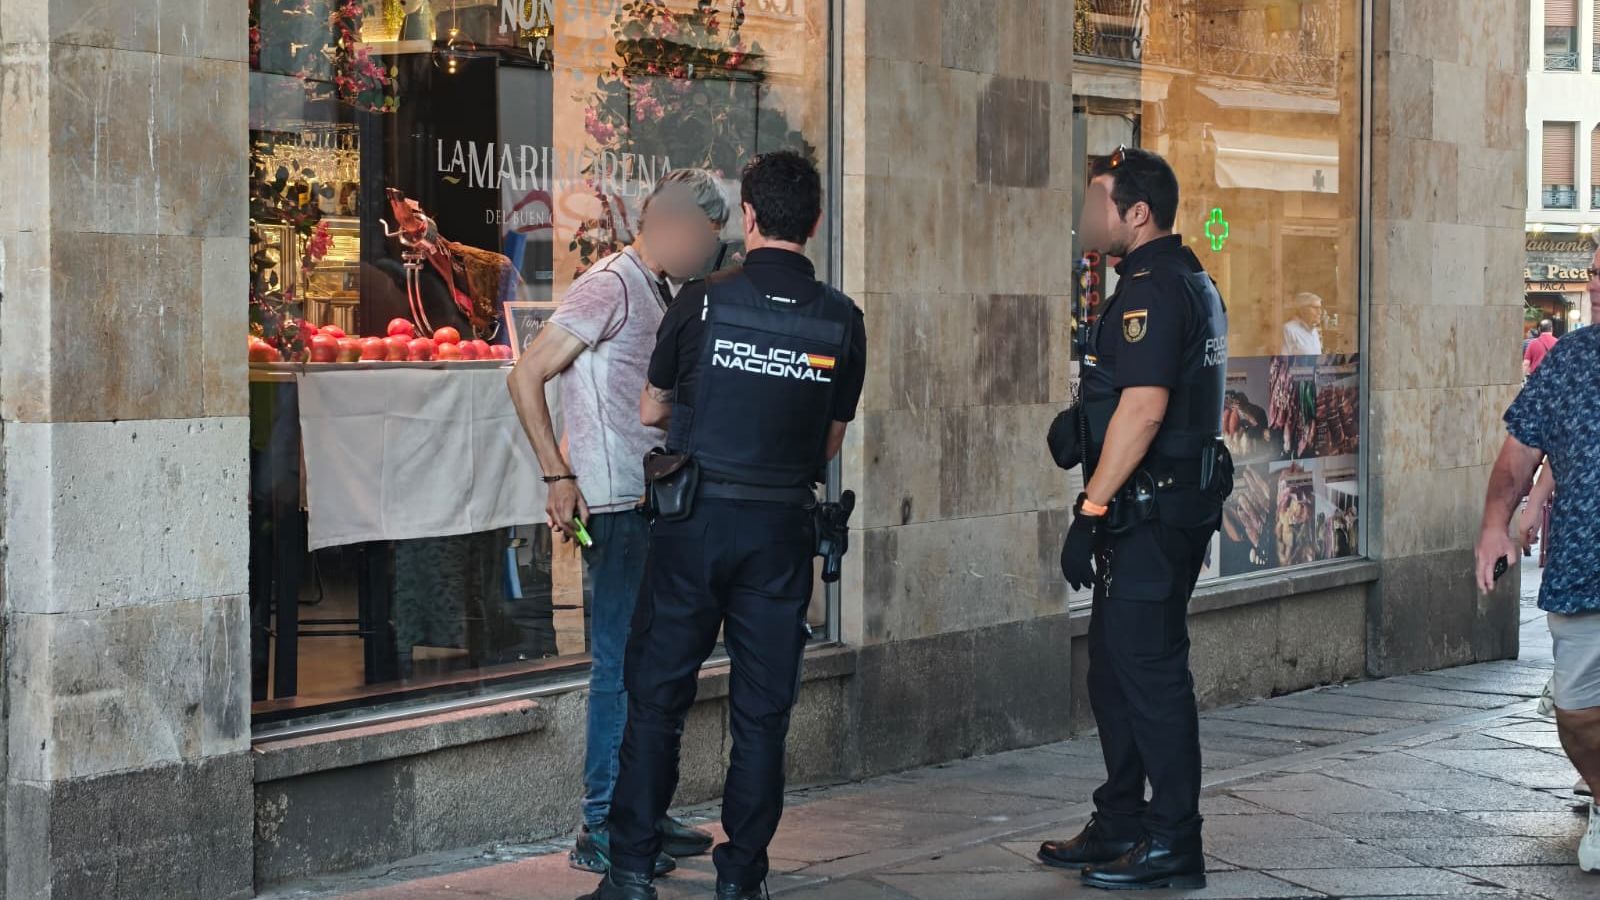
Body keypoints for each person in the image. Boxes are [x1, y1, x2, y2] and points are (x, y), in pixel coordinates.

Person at [583, 151, 867, 900]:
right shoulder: (841, 319)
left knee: (656, 701)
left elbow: (651, 408)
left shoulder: (703, 301)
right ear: (815, 222)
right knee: (762, 716)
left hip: (694, 524)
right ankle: (741, 879)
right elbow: (829, 441)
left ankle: (631, 872)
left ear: (747, 217)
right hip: (780, 532)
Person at [507, 168, 728, 876]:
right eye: (710, 239)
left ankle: (641, 813)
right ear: (677, 225)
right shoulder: (609, 284)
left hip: (650, 500)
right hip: (615, 505)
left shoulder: (661, 288)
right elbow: (526, 373)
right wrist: (557, 475)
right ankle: (601, 824)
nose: (712, 254)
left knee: (650, 666)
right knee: (618, 667)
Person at [1039, 147, 1228, 891]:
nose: (1089, 215)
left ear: (1137, 213)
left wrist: (1089, 511)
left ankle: (1174, 841)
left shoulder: (1156, 288)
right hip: (1152, 507)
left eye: (1099, 202)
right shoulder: (1177, 280)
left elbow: (1146, 409)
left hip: (1153, 511)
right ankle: (1121, 819)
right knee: (1115, 670)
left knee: (1149, 675)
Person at [1475, 246, 1600, 875]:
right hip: (1585, 564)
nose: (1598, 285)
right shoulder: (1571, 360)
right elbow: (1520, 452)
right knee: (1576, 712)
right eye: (1597, 271)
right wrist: (1495, 524)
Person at [1280, 292, 1323, 356]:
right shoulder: (1288, 330)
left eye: (1320, 308)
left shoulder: (1314, 331)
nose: (1320, 312)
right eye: (1315, 308)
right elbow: (1281, 360)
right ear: (1302, 310)